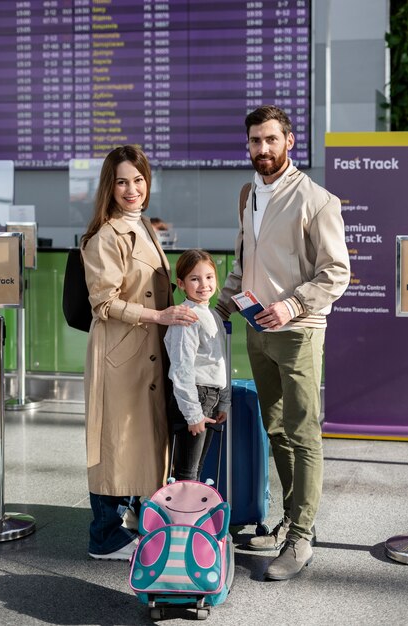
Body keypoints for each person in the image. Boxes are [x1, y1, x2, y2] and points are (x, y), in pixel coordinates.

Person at [215, 105, 350, 580]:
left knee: (303, 433)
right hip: (258, 331)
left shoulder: (317, 200)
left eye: (272, 139)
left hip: (298, 333)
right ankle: (291, 518)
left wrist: (293, 306)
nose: (263, 149)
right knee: (275, 430)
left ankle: (302, 537)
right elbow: (244, 262)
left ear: (289, 142)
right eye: (255, 141)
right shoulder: (249, 193)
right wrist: (221, 307)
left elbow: (336, 272)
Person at [80, 145, 198, 560]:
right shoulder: (105, 236)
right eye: (122, 182)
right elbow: (104, 303)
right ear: (109, 188)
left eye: (139, 179)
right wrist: (159, 315)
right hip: (120, 355)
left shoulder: (144, 225)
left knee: (138, 442)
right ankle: (105, 537)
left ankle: (129, 522)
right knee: (115, 443)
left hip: (144, 350)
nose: (132, 189)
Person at [164, 249, 230, 481]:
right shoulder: (187, 316)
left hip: (209, 397)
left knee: (196, 469)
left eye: (209, 277)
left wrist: (223, 400)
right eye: (195, 278)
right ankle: (181, 517)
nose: (204, 284)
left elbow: (219, 361)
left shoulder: (211, 314)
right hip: (194, 398)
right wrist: (192, 414)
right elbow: (181, 368)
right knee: (187, 472)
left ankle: (189, 515)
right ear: (181, 284)